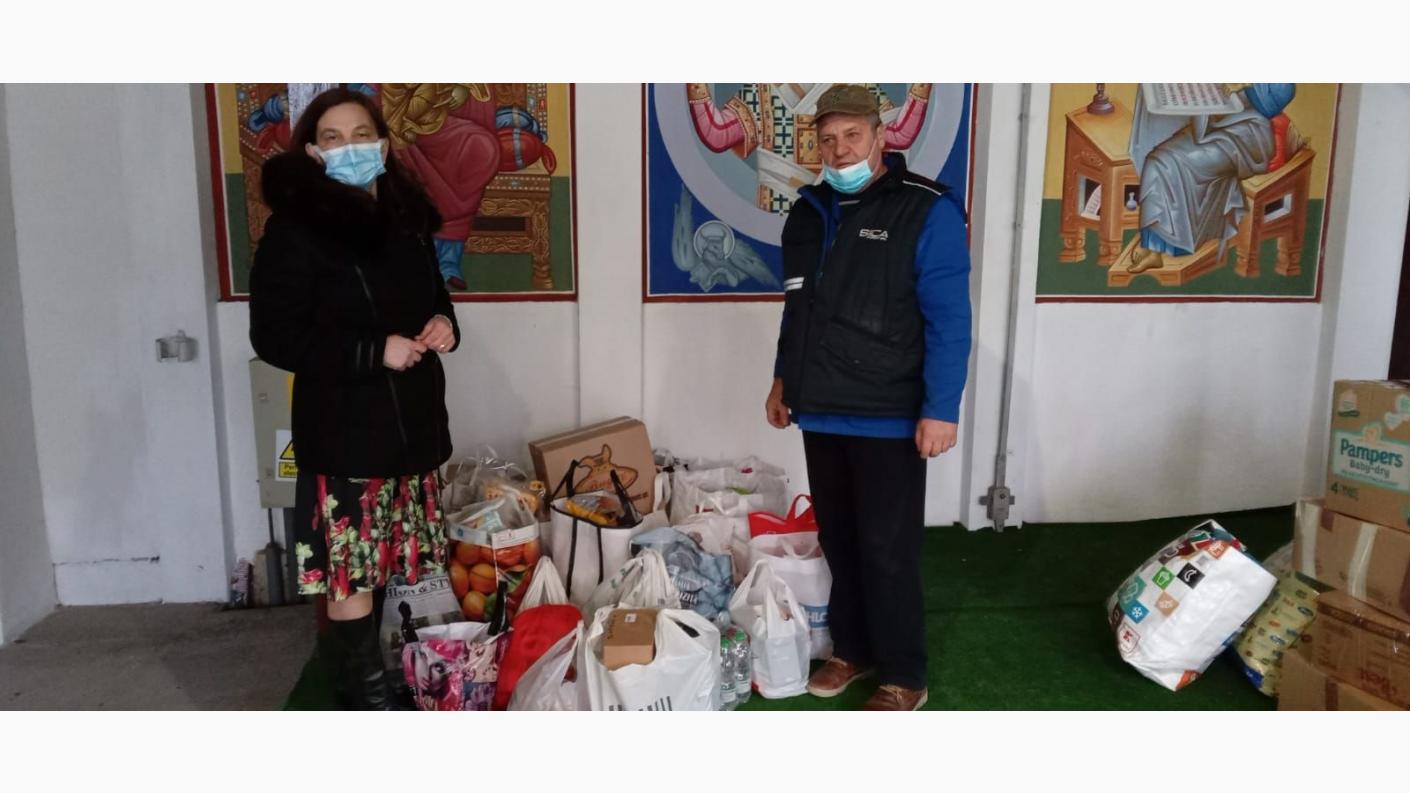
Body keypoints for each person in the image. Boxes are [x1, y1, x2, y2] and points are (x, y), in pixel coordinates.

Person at [249, 86, 461, 710]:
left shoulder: (406, 220)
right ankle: (367, 701)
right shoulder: (296, 230)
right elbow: (275, 336)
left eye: (362, 135)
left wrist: (444, 324)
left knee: (387, 561)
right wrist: (374, 351)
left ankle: (361, 683)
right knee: (351, 572)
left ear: (384, 146)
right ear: (314, 153)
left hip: (410, 426)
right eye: (334, 138)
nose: (351, 147)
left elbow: (434, 298)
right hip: (345, 434)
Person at [765, 84, 972, 711]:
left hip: (889, 413)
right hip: (820, 408)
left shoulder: (925, 209)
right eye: (828, 139)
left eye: (852, 135)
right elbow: (798, 310)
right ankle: (851, 649)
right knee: (840, 540)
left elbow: (949, 318)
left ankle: (905, 674)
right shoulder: (807, 213)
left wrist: (941, 408)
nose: (840, 149)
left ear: (881, 137)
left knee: (887, 549)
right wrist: (782, 379)